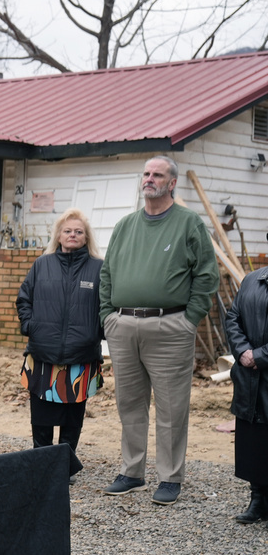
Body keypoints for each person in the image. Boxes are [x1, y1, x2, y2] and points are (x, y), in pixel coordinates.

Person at [100, 156, 218, 505]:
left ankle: (169, 477)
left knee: (171, 407)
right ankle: (132, 471)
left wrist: (189, 318)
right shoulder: (125, 225)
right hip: (123, 326)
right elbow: (107, 273)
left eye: (158, 174)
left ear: (172, 183)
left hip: (170, 327)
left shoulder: (188, 223)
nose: (150, 179)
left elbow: (207, 275)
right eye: (146, 174)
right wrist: (108, 316)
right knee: (129, 404)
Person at [16, 208, 103, 481]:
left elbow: (107, 306)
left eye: (78, 231)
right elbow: (23, 299)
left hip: (81, 356)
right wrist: (31, 327)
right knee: (41, 414)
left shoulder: (99, 268)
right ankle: (42, 466)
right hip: (43, 354)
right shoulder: (42, 264)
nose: (73, 235)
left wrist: (95, 333)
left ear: (86, 236)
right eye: (68, 231)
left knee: (71, 417)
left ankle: (64, 469)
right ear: (59, 235)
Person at [223, 261, 268, 524]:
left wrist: (260, 355)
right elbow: (233, 317)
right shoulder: (252, 279)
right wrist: (243, 352)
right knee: (254, 439)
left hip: (260, 367)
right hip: (249, 378)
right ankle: (258, 500)